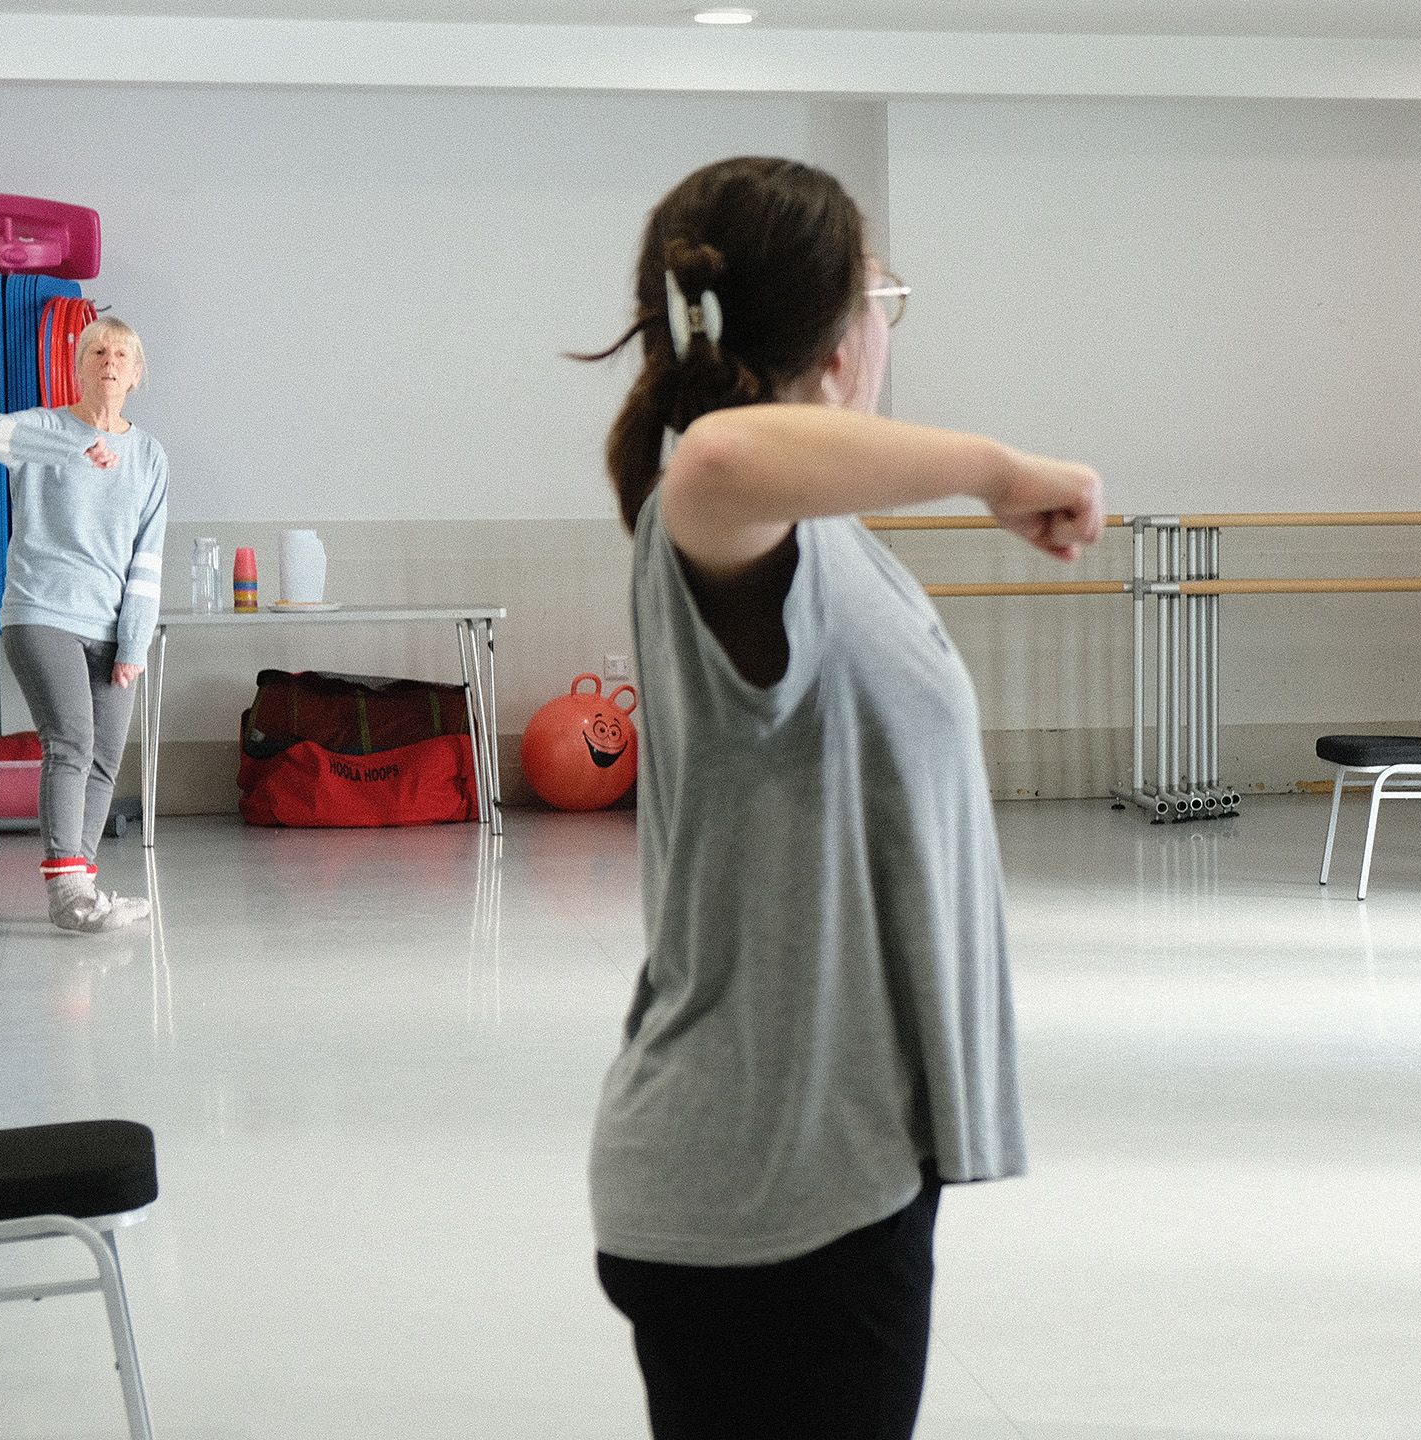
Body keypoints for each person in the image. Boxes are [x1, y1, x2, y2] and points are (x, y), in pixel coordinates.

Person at [577, 156, 1101, 1440]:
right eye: (887, 295)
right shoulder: (718, 515)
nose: (888, 328)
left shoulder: (822, 538)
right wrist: (992, 465)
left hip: (838, 1163)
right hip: (764, 1185)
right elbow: (717, 458)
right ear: (841, 326)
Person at [0, 316, 163, 934]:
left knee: (105, 757)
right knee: (71, 743)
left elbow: (146, 559)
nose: (108, 359)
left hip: (110, 626)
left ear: (135, 375)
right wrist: (70, 447)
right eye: (97, 350)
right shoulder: (44, 429)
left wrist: (134, 642)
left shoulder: (151, 456)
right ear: (78, 367)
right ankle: (67, 894)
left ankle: (83, 887)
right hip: (40, 612)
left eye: (121, 354)